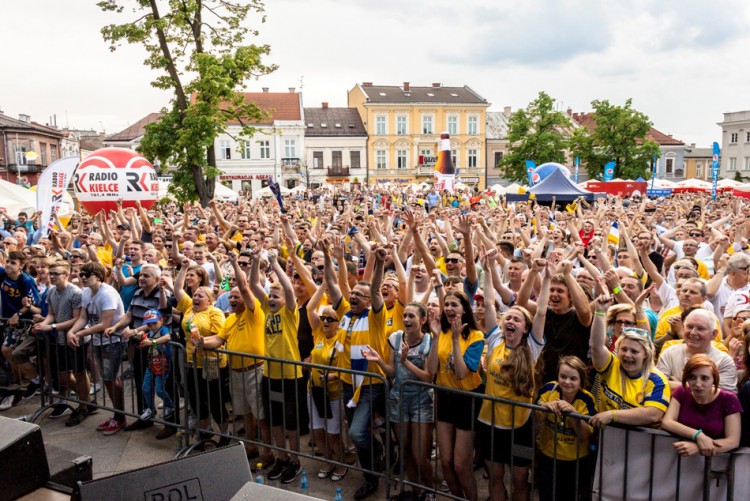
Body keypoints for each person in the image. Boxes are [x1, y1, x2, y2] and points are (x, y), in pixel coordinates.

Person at [323, 239, 389, 500]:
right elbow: (331, 283)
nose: (352, 297)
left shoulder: (374, 316)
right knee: (359, 435)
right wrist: (331, 257)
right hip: (349, 384)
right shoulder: (346, 314)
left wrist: (381, 263)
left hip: (370, 384)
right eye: (352, 295)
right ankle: (371, 475)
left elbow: (375, 291)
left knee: (356, 432)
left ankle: (378, 454)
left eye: (358, 296)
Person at [478, 255, 547, 501]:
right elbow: (488, 304)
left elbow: (540, 313)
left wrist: (545, 277)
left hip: (521, 426)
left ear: (525, 328)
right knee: (495, 478)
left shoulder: (532, 348)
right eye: (508, 317)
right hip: (489, 423)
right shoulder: (495, 339)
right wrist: (487, 271)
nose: (510, 320)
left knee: (519, 480)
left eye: (517, 319)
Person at [198, 252, 274, 468]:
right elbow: (219, 339)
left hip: (255, 371)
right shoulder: (230, 319)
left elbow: (244, 286)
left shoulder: (254, 312)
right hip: (236, 372)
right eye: (230, 297)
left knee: (260, 416)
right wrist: (200, 342)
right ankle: (250, 447)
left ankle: (267, 453)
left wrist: (233, 263)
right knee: (245, 414)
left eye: (236, 297)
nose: (232, 299)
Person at [363, 302, 435, 499]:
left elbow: (428, 376)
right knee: (404, 453)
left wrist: (405, 361)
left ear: (423, 320)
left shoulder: (429, 341)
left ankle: (430, 492)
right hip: (398, 400)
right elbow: (393, 372)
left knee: (420, 456)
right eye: (404, 316)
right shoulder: (395, 338)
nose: (406, 320)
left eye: (411, 316)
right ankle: (416, 492)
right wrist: (378, 360)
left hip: (422, 401)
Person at [249, 248, 303, 485]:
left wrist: (273, 262)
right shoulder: (266, 310)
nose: (271, 299)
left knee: (291, 422)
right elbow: (252, 284)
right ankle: (281, 458)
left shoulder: (290, 313)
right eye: (270, 296)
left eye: (275, 297)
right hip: (270, 374)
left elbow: (289, 289)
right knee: (275, 421)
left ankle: (295, 461)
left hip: (290, 374)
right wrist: (254, 262)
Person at [426, 288, 484, 501]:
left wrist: (457, 339)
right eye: (447, 304)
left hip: (466, 400)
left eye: (454, 305)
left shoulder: (476, 337)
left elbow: (461, 373)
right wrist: (433, 339)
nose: (449, 308)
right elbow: (431, 371)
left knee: (461, 465)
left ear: (464, 310)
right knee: (446, 463)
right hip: (444, 397)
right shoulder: (440, 332)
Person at [589, 293, 671, 428]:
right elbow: (597, 346)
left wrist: (612, 415)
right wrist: (599, 312)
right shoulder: (612, 365)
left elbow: (652, 414)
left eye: (634, 351)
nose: (627, 355)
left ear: (645, 354)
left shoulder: (656, 379)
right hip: (602, 437)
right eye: (624, 349)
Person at [174, 256, 229, 445]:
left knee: (214, 400)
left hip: (211, 362)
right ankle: (205, 432)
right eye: (195, 294)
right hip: (191, 361)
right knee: (198, 401)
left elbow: (221, 336)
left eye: (200, 295)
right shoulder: (189, 307)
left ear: (210, 300)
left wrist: (203, 342)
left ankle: (225, 433)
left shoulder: (215, 312)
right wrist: (183, 269)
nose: (195, 297)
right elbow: (178, 290)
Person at [68, 262, 127, 435]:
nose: (83, 277)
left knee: (111, 379)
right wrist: (72, 331)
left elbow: (105, 324)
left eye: (87, 275)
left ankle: (120, 417)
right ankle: (117, 415)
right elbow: (83, 317)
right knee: (106, 379)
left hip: (113, 341)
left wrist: (79, 334)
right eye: (82, 274)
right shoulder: (86, 292)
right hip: (99, 340)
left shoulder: (107, 293)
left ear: (98, 276)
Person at [31, 260, 88, 424]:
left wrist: (52, 326)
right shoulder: (51, 292)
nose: (52, 276)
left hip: (76, 338)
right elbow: (50, 314)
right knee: (63, 375)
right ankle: (86, 402)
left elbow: (77, 319)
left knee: (80, 373)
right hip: (60, 339)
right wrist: (44, 324)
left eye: (56, 273)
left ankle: (84, 406)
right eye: (51, 273)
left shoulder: (76, 293)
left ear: (67, 275)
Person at [536, 356, 596, 501]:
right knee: (546, 495)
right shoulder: (548, 389)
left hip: (575, 462)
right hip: (548, 457)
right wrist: (544, 408)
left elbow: (585, 435)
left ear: (581, 380)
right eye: (563, 376)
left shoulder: (587, 400)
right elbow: (536, 421)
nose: (567, 382)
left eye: (573, 379)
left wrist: (575, 414)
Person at [306, 283, 348, 483]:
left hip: (334, 393)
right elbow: (310, 309)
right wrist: (323, 285)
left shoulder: (343, 337)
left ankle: (340, 464)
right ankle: (328, 461)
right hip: (314, 391)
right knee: (317, 432)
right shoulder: (319, 332)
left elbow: (346, 366)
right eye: (324, 318)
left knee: (333, 434)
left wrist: (333, 376)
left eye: (330, 319)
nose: (325, 321)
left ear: (339, 323)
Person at [661, 354, 742, 457]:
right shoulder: (681, 392)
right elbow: (667, 422)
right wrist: (698, 435)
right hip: (679, 458)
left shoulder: (729, 399)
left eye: (704, 378)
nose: (698, 384)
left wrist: (698, 447)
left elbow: (732, 441)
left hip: (716, 463)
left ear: (714, 379)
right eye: (692, 377)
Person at [656, 309, 737, 393]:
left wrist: (679, 386)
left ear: (714, 334)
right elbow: (657, 386)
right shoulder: (669, 353)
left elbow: (725, 397)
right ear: (683, 328)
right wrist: (701, 388)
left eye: (700, 328)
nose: (693, 332)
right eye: (689, 327)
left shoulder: (724, 361)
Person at [1, 250, 41, 398]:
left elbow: (33, 303)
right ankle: (24, 379)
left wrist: (17, 314)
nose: (9, 265)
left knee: (8, 350)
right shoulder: (3, 274)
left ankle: (36, 380)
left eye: (13, 263)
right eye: (8, 262)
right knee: (9, 351)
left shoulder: (26, 280)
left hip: (24, 321)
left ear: (21, 266)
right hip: (8, 321)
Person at [129, 309, 174, 424]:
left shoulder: (163, 329)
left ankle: (170, 406)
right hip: (151, 364)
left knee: (160, 390)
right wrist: (140, 335)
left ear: (161, 321)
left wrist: (152, 343)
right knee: (145, 388)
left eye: (155, 323)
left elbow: (167, 337)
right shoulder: (149, 332)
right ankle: (150, 408)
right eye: (149, 324)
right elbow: (144, 337)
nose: (153, 326)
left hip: (163, 365)